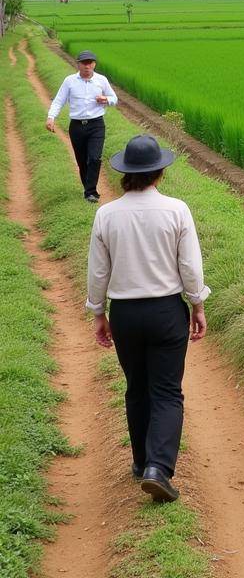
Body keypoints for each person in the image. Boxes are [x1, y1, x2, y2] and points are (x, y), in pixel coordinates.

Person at [86, 134, 210, 503]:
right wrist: (198, 304)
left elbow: (98, 271)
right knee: (167, 391)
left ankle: (141, 464)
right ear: (159, 172)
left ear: (125, 174)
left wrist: (98, 313)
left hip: (125, 313)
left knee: (136, 388)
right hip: (166, 311)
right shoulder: (176, 210)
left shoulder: (106, 213)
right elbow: (189, 266)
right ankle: (158, 467)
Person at [46, 49, 118, 203]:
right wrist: (51, 117)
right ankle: (88, 187)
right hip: (77, 126)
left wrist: (106, 99)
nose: (87, 66)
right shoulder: (69, 81)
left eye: (90, 63)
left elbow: (114, 98)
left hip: (96, 125)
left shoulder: (101, 80)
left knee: (94, 157)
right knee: (81, 159)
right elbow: (59, 100)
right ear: (78, 64)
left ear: (94, 64)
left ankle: (91, 192)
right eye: (84, 63)